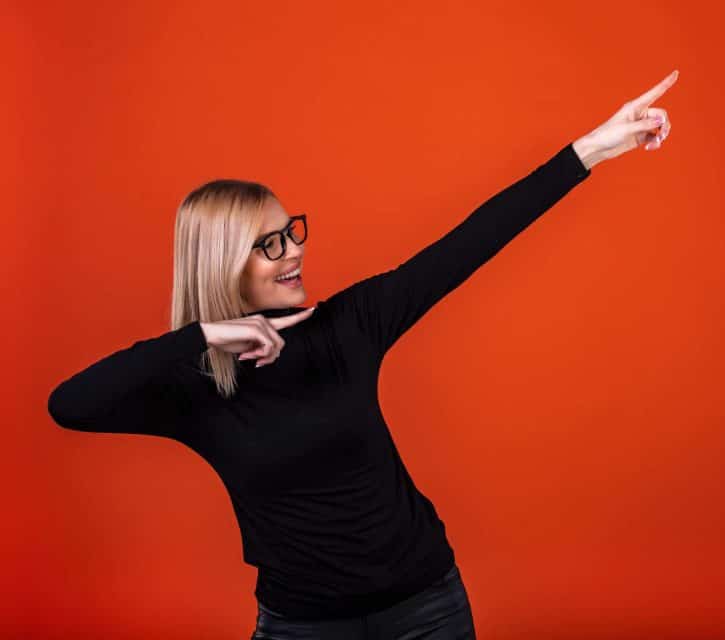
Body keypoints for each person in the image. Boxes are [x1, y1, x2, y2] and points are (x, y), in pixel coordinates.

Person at [47, 71, 677, 639]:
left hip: (426, 608)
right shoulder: (192, 383)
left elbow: (467, 244)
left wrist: (591, 150)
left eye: (291, 231)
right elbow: (68, 404)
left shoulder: (346, 325)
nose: (293, 251)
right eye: (268, 245)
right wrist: (206, 336)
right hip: (302, 626)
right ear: (220, 264)